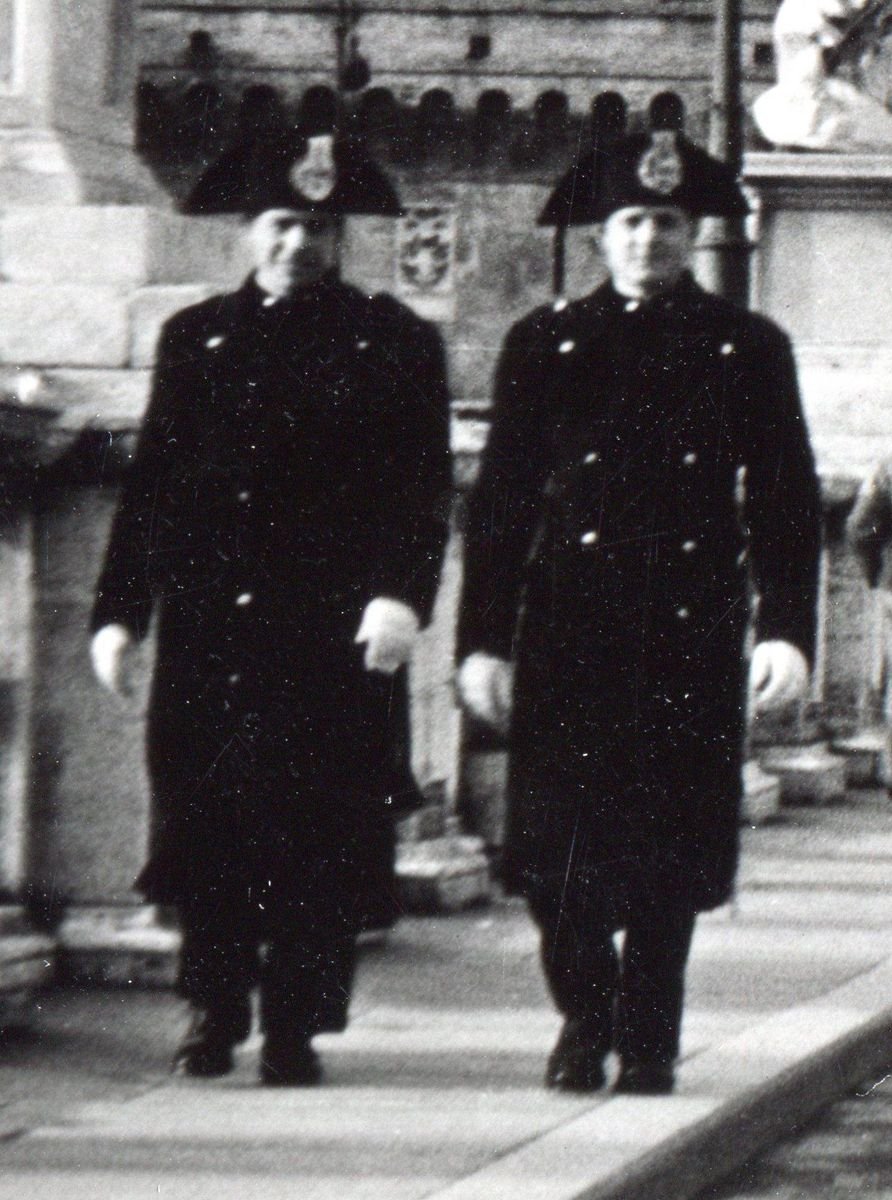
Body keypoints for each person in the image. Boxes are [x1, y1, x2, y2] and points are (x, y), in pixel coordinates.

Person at [455, 118, 822, 1095]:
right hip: (567, 630)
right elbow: (498, 503)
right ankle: (586, 1011)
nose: (647, 241)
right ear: (599, 231)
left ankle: (650, 1036)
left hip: (687, 627)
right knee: (548, 854)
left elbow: (787, 498)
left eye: (664, 222)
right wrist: (481, 640)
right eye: (628, 221)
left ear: (688, 230)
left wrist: (785, 630)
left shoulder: (744, 347)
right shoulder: (544, 343)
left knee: (669, 853)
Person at [90, 129, 451, 1086]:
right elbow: (153, 487)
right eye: (284, 224)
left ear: (342, 238)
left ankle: (295, 1022)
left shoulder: (393, 342)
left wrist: (401, 599)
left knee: (317, 835)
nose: (299, 245)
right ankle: (212, 1011)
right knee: (206, 825)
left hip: (331, 633)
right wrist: (119, 612)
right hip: (215, 630)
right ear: (252, 231)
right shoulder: (197, 337)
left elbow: (424, 489)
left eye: (320, 228)